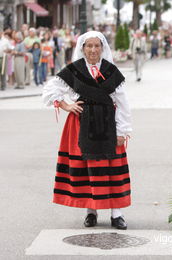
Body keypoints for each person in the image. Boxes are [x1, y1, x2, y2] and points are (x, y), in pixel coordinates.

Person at [42, 31, 132, 230]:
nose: (92, 50)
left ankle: (117, 214)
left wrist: (122, 131)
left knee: (111, 169)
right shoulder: (74, 70)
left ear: (103, 48)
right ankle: (91, 211)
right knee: (87, 168)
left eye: (96, 46)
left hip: (109, 125)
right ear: (82, 48)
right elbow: (50, 90)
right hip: (80, 126)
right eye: (88, 46)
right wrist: (66, 105)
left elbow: (123, 103)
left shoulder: (111, 71)